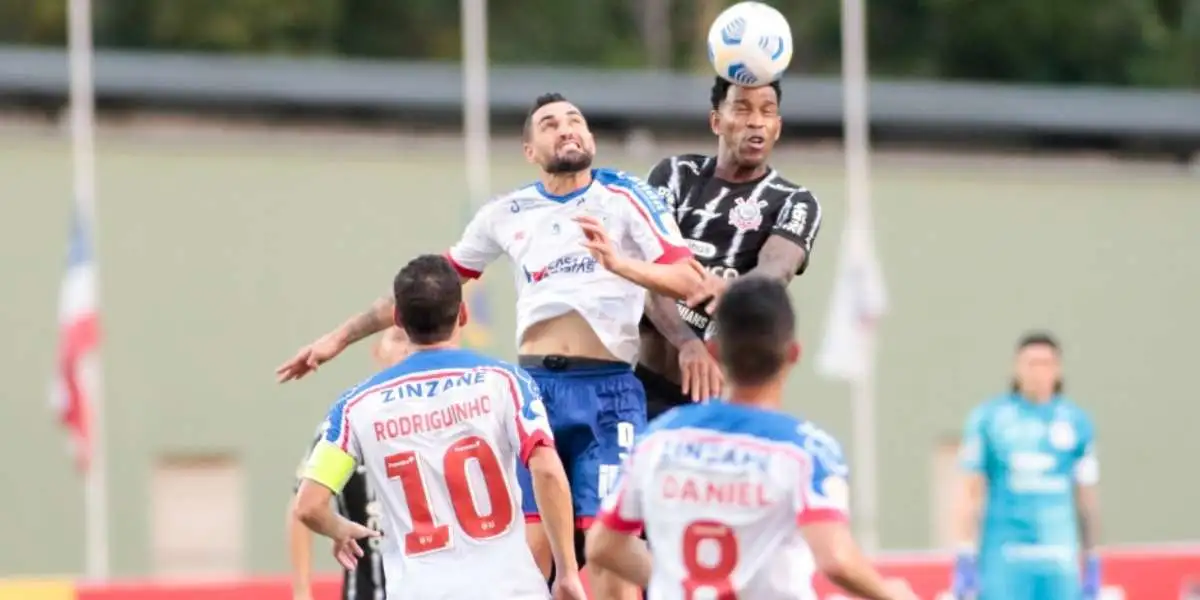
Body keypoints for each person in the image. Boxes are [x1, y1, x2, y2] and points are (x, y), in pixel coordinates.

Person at [279, 94, 715, 600]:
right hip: (537, 389)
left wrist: (621, 266)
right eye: (550, 124)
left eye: (576, 121)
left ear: (591, 138)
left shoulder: (627, 196)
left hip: (607, 392)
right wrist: (337, 337)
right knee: (530, 550)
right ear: (531, 149)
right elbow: (430, 286)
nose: (566, 129)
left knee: (605, 547)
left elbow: (688, 279)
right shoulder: (507, 213)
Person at [582, 277, 916, 600]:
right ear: (793, 354)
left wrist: (678, 584)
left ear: (714, 351)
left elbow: (603, 545)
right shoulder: (806, 451)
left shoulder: (658, 440)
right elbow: (836, 560)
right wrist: (891, 594)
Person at [292, 254, 587, 600]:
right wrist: (566, 572)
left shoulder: (355, 407)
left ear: (398, 319)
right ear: (463, 314)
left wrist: (338, 528)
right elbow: (548, 472)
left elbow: (308, 505)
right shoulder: (506, 382)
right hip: (511, 589)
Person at [637, 77, 823, 417]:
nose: (756, 121)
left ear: (777, 127)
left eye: (767, 112)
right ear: (716, 121)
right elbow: (651, 273)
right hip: (642, 386)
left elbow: (776, 268)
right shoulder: (676, 174)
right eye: (742, 108)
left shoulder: (794, 201)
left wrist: (737, 289)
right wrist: (686, 342)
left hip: (715, 403)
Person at [951, 332, 1102, 600]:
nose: (1038, 372)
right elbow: (971, 491)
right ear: (1016, 368)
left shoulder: (1076, 422)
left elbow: (1086, 496)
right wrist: (964, 553)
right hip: (1005, 558)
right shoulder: (989, 419)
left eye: (1045, 363)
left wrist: (1092, 557)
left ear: (1058, 370)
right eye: (1030, 363)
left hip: (1059, 559)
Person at [287, 328, 409, 600]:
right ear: (378, 351)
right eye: (398, 339)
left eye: (412, 341)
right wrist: (303, 591)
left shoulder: (441, 423)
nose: (406, 350)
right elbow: (301, 506)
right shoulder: (351, 425)